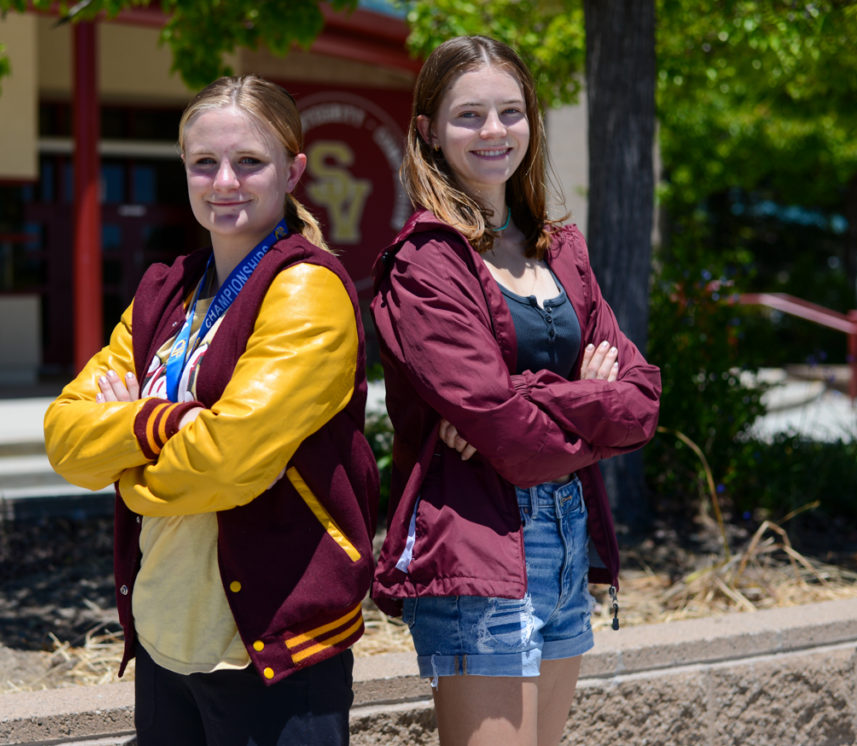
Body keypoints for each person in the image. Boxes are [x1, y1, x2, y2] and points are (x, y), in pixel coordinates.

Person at [44, 75, 378, 746]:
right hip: (165, 642)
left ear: (293, 171)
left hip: (271, 650)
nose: (225, 180)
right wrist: (165, 422)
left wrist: (126, 458)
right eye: (205, 163)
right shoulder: (164, 292)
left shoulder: (307, 291)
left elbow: (228, 463)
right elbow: (65, 435)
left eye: (249, 161)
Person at [369, 36, 661, 745]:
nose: (494, 131)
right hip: (477, 544)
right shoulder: (425, 262)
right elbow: (503, 430)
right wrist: (575, 401)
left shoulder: (561, 249)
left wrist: (531, 400)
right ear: (429, 132)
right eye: (469, 115)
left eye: (510, 111)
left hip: (567, 539)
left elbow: (643, 399)